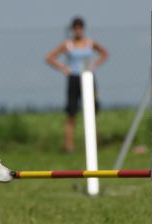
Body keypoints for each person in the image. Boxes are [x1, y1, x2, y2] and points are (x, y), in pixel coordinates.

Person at [46, 17, 109, 153]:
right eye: (75, 27)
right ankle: (69, 147)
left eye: (80, 27)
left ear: (83, 28)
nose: (78, 30)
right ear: (73, 29)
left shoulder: (91, 43)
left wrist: (94, 64)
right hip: (73, 78)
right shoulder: (67, 45)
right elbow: (49, 58)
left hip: (88, 77)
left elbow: (104, 53)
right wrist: (64, 68)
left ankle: (93, 147)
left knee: (91, 113)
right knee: (71, 113)